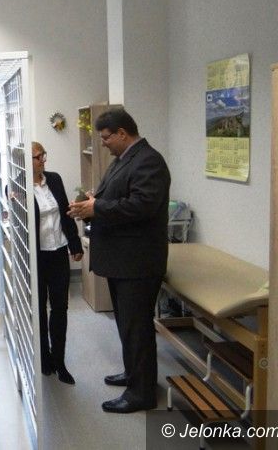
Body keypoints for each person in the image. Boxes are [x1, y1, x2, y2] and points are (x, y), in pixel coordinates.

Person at [68, 109, 170, 414]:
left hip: (137, 263)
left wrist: (97, 208)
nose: (103, 143)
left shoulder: (149, 161)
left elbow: (142, 205)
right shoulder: (124, 159)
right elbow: (117, 195)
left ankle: (141, 394)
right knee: (128, 325)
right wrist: (93, 200)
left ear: (122, 133)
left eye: (106, 137)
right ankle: (134, 374)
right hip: (122, 261)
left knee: (137, 328)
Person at [31, 141, 83, 384]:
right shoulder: (18, 187)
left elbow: (65, 213)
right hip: (37, 257)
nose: (43, 160)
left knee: (60, 307)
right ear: (26, 161)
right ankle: (44, 358)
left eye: (44, 155)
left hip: (59, 251)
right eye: (37, 157)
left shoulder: (54, 179)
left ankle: (60, 361)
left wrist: (75, 244)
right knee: (40, 309)